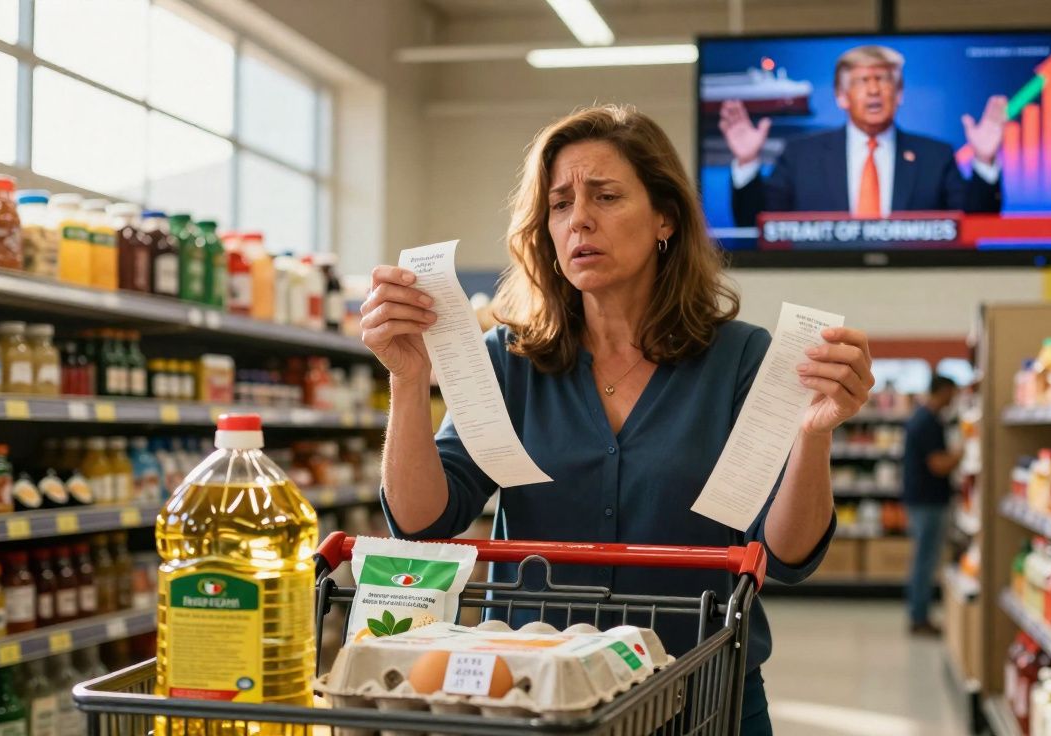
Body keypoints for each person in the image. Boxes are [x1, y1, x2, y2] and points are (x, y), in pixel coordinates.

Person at [360, 104, 874, 734]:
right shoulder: (510, 363)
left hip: (704, 700)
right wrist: (408, 380)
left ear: (665, 217)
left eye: (605, 196)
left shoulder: (742, 360)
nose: (579, 219)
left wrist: (812, 433)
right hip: (539, 701)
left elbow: (786, 555)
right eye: (559, 204)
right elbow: (423, 522)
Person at [720, 44, 1008, 227]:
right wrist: (747, 163)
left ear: (899, 94)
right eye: (862, 81)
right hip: (820, 286)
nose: (873, 91)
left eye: (882, 80)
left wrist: (984, 161)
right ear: (841, 96)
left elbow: (974, 227)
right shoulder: (799, 156)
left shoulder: (936, 156)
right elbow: (757, 227)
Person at [901, 374, 962, 636]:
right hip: (928, 501)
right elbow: (939, 465)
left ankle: (919, 614)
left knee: (923, 560)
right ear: (944, 391)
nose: (955, 398)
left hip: (922, 499)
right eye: (953, 392)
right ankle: (919, 618)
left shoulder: (924, 417)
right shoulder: (927, 422)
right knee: (925, 561)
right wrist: (964, 451)